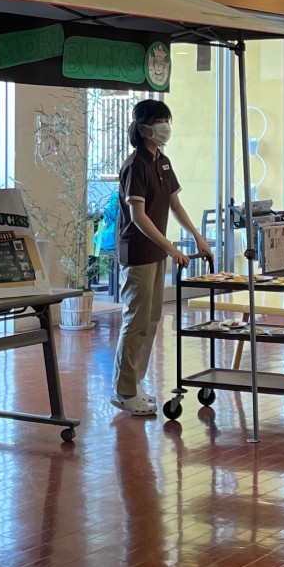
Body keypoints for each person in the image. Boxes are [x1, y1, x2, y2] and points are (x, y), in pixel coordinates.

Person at [113, 99, 212, 418]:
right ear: (143, 128)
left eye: (167, 120)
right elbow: (138, 216)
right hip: (138, 251)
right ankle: (124, 390)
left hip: (157, 251)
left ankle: (135, 382)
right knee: (136, 320)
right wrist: (171, 247)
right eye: (159, 121)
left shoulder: (163, 162)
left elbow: (174, 204)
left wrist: (197, 236)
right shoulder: (135, 165)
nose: (165, 127)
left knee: (151, 320)